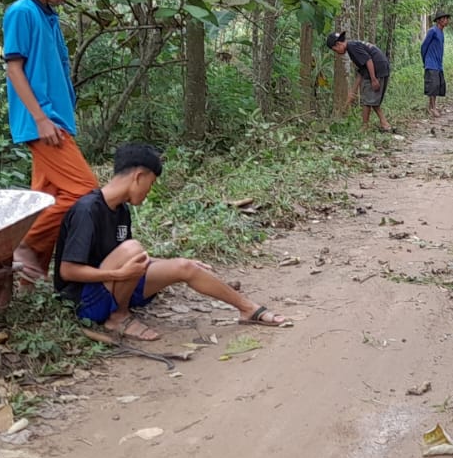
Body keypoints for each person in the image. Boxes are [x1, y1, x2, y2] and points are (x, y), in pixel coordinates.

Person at [54, 142, 291, 341]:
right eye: (151, 183)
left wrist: (173, 261)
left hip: (112, 288)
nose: (149, 191)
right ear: (139, 176)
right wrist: (120, 275)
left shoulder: (121, 211)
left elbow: (123, 259)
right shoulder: (87, 210)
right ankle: (119, 318)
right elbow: (68, 271)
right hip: (85, 301)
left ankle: (248, 309)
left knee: (184, 267)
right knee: (133, 248)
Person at [4, 0, 96, 285]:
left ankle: (28, 278)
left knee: (48, 198)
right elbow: (14, 70)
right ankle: (23, 244)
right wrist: (41, 118)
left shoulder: (49, 16)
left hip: (57, 118)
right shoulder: (21, 12)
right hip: (43, 122)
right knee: (85, 191)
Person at [325, 31, 393, 132]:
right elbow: (362, 71)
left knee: (367, 100)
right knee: (371, 99)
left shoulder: (352, 47)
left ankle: (365, 126)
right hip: (381, 67)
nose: (337, 53)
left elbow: (368, 61)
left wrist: (373, 79)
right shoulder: (353, 46)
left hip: (376, 69)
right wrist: (353, 91)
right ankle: (384, 123)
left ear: (338, 44)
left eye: (335, 50)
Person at [421, 12, 450, 118]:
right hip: (431, 63)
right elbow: (424, 46)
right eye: (444, 18)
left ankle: (432, 106)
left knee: (437, 86)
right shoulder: (432, 31)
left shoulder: (441, 32)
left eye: (447, 18)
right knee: (432, 86)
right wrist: (425, 61)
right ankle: (432, 108)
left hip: (438, 64)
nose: (447, 20)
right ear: (439, 20)